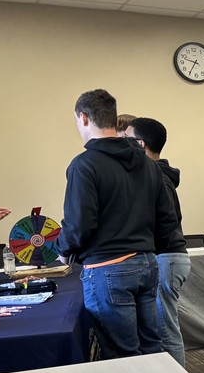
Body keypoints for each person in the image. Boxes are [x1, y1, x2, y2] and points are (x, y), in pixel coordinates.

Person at [54, 89, 184, 359]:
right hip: (147, 264)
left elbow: (79, 226)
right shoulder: (148, 165)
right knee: (151, 348)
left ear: (84, 118)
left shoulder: (84, 165)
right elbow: (166, 220)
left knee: (121, 355)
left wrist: (61, 249)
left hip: (107, 268)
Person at [125, 117, 191, 367]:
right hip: (168, 258)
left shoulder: (157, 177)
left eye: (126, 138)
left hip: (166, 257)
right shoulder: (157, 175)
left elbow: (163, 222)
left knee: (166, 330)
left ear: (140, 144)